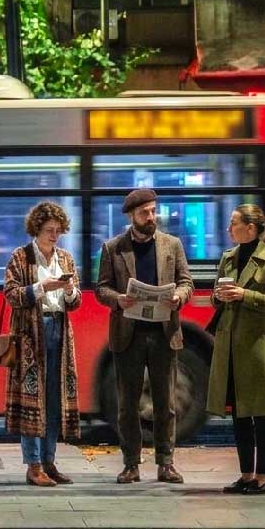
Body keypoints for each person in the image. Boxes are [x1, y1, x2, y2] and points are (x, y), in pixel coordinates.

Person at [95, 188, 193, 484]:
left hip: (164, 334)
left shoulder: (172, 244)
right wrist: (118, 299)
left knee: (166, 404)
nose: (150, 217)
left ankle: (166, 463)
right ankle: (131, 464)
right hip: (129, 336)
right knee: (128, 406)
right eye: (143, 213)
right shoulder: (113, 248)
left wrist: (178, 296)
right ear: (131, 216)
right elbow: (101, 288)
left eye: (152, 211)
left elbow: (186, 282)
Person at [207, 204, 265, 495]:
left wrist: (245, 294)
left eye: (234, 223)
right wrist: (219, 297)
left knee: (262, 414)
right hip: (230, 345)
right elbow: (216, 299)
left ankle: (262, 477)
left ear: (250, 228)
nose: (229, 229)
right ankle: (245, 474)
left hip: (258, 347)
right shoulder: (228, 258)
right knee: (239, 413)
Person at [3, 201, 82, 487]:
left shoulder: (66, 259)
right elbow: (11, 294)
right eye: (49, 230)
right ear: (36, 229)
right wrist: (41, 288)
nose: (54, 235)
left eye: (58, 230)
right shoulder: (21, 257)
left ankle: (49, 461)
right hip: (30, 336)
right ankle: (33, 465)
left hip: (60, 331)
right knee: (32, 399)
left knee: (54, 400)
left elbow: (76, 302)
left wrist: (70, 290)